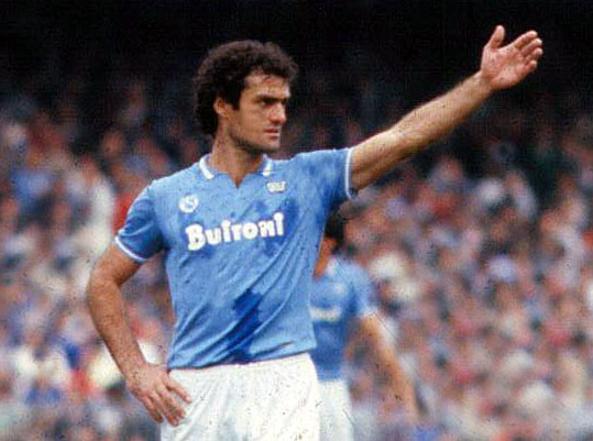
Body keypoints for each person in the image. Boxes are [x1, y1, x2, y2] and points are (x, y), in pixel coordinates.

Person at [86, 26, 543, 440]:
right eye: (264, 102)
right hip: (195, 387)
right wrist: (137, 370)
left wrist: (481, 84)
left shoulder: (307, 179)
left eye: (283, 103)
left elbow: (405, 138)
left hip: (281, 381)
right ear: (223, 105)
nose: (280, 115)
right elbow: (103, 279)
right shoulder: (167, 197)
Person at [310, 214, 418, 441]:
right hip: (290, 378)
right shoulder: (290, 276)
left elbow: (374, 334)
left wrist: (402, 387)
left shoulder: (351, 279)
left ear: (328, 242)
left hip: (330, 381)